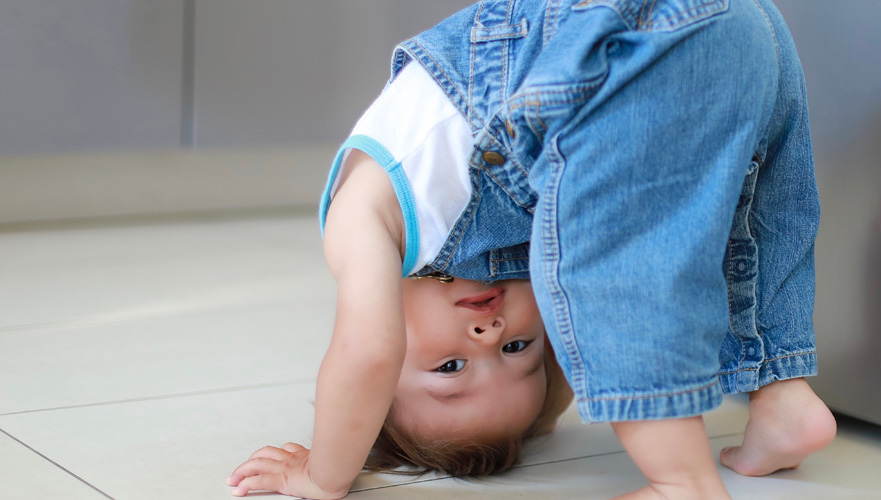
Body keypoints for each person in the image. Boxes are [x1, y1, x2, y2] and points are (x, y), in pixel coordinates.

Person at [227, 0, 837, 498]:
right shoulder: (474, 240)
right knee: (752, 217)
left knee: (608, 265)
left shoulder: (360, 216)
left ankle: (682, 480)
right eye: (518, 348)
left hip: (622, 37)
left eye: (450, 369)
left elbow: (364, 352)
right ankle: (782, 393)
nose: (489, 335)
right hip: (748, 30)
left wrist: (324, 474)